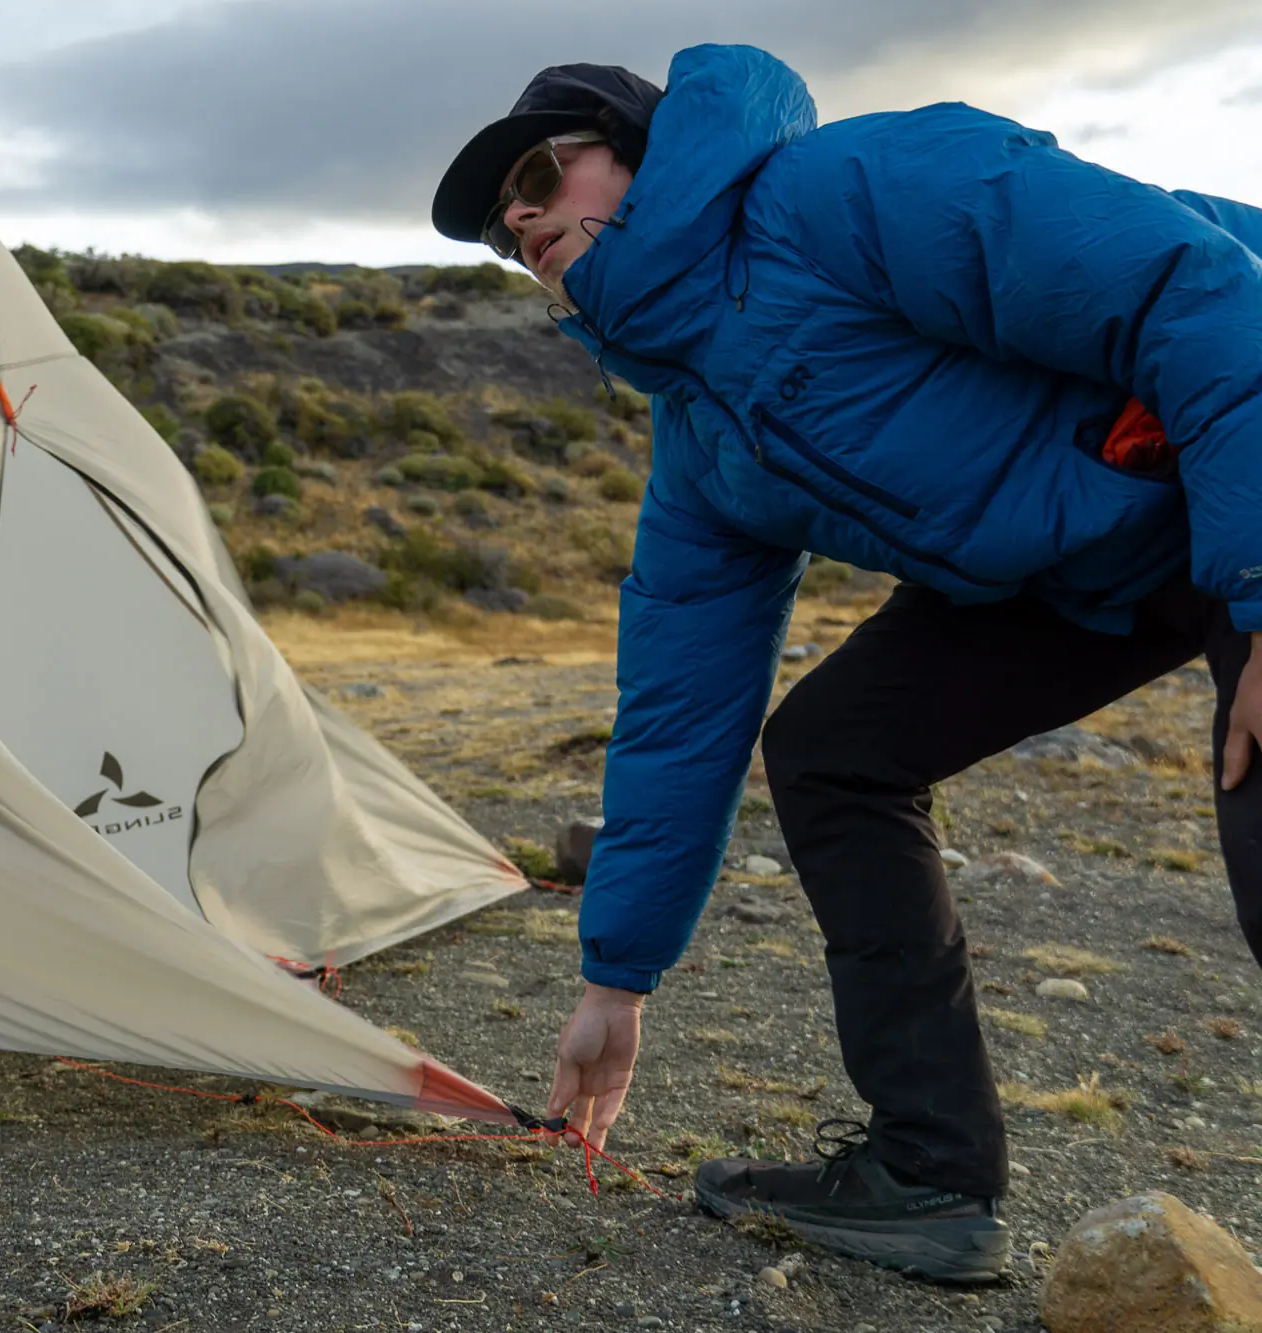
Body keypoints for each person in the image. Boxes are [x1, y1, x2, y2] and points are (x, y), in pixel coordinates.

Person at [432, 44, 1262, 1282]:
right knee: (834, 748)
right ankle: (927, 1175)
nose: (519, 215)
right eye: (505, 226)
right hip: (1117, 551)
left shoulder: (849, 186)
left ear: (639, 153)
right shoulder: (700, 435)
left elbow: (1195, 295)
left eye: (540, 173)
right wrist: (617, 973)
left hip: (1236, 436)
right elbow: (680, 701)